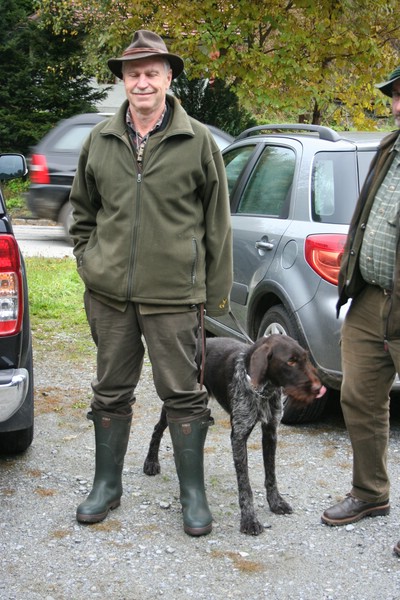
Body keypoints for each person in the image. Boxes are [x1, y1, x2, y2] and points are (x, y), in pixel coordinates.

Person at [69, 30, 233, 537]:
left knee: (183, 394)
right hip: (110, 296)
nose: (142, 82)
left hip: (175, 297)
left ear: (168, 77)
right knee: (109, 392)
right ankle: (106, 486)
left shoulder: (197, 140)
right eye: (133, 73)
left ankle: (193, 496)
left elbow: (217, 224)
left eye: (152, 72)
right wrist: (90, 263)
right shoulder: (99, 140)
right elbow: (83, 212)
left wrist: (213, 293)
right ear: (122, 80)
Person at [321, 66, 400, 555]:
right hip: (371, 298)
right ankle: (370, 493)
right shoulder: (390, 148)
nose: (398, 104)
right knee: (359, 398)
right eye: (396, 96)